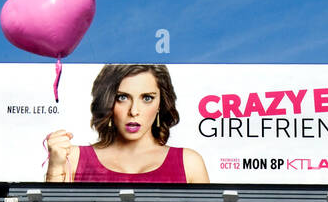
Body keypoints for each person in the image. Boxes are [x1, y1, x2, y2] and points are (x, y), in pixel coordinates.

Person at [45, 64, 209, 184]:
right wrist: (54, 168)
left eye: (147, 98)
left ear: (160, 104)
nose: (134, 111)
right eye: (122, 97)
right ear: (108, 102)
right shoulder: (74, 158)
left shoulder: (189, 163)